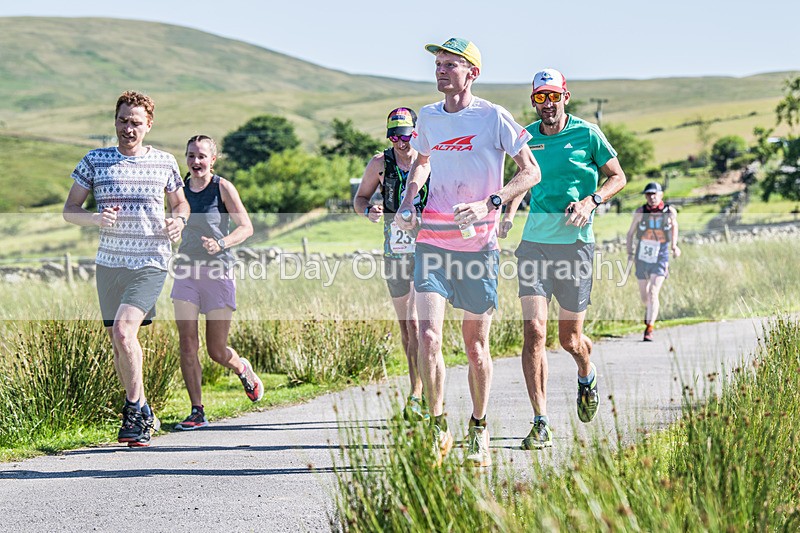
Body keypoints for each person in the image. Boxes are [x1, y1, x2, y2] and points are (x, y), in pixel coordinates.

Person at [396, 38, 541, 467]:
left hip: (478, 247)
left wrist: (491, 203)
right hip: (433, 242)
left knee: (476, 348)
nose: (440, 70)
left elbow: (531, 171)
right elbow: (422, 161)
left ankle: (479, 426)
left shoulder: (494, 117)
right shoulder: (428, 116)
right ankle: (438, 426)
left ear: (472, 73)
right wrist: (409, 198)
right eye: (438, 64)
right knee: (428, 336)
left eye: (450, 64)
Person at [504, 69, 627, 450]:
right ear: (534, 102)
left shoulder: (587, 134)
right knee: (535, 332)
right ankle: (540, 421)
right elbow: (522, 180)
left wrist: (592, 201)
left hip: (576, 246)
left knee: (570, 340)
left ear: (565, 97)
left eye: (553, 96)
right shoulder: (527, 138)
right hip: (535, 244)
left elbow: (618, 177)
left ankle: (586, 374)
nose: (547, 104)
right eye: (540, 98)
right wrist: (508, 213)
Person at [63, 90, 190, 447]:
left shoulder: (164, 162)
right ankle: (145, 410)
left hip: (151, 261)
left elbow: (180, 204)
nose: (128, 128)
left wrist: (178, 221)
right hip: (109, 263)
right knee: (120, 344)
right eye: (122, 121)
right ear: (115, 121)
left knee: (123, 331)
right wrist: (94, 218)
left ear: (149, 125)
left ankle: (133, 413)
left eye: (135, 122)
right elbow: (70, 208)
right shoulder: (95, 160)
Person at [170, 135, 261, 430]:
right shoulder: (178, 190)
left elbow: (246, 227)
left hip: (218, 272)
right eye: (191, 155)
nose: (196, 161)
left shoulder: (222, 187)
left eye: (202, 156)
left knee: (216, 350)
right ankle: (197, 410)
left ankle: (241, 367)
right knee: (187, 343)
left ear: (213, 159)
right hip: (185, 271)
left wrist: (221, 243)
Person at [353, 108, 430, 421]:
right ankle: (419, 390)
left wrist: (424, 220)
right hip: (394, 251)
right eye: (393, 135)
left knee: (419, 324)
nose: (400, 141)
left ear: (416, 131)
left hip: (427, 249)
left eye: (405, 133)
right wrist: (368, 210)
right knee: (407, 328)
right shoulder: (379, 163)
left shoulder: (428, 160)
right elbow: (359, 199)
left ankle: (417, 395)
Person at [625, 181, 680, 342]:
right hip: (642, 256)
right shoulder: (640, 212)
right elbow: (630, 234)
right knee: (645, 297)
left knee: (653, 292)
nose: (652, 197)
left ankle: (649, 328)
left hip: (661, 255)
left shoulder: (669, 211)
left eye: (655, 194)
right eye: (649, 194)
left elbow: (674, 227)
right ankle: (649, 311)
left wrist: (674, 246)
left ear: (661, 194)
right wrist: (630, 252)